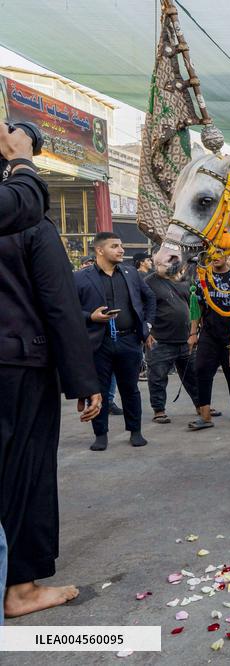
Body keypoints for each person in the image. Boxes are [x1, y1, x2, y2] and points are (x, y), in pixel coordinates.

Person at [1, 149, 101, 617]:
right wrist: (84, 379)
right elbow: (59, 304)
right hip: (18, 368)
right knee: (25, 474)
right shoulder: (29, 223)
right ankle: (21, 588)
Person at [75, 231, 155, 451]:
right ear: (100, 250)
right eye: (115, 246)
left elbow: (149, 299)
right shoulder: (81, 277)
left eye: (121, 245)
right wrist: (90, 317)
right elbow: (69, 309)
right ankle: (101, 435)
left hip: (129, 339)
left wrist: (146, 326)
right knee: (98, 389)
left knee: (130, 389)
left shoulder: (131, 273)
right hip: (98, 343)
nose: (121, 250)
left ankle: (136, 431)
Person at [189, 255, 230, 430]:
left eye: (219, 252)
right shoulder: (203, 279)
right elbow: (197, 307)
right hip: (209, 333)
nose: (215, 256)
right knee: (201, 370)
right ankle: (205, 416)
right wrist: (192, 333)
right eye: (211, 254)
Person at [144, 258, 199, 423]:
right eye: (165, 261)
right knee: (157, 377)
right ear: (156, 262)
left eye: (173, 261)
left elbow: (193, 306)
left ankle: (201, 405)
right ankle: (159, 410)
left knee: (194, 376)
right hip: (160, 340)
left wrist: (193, 333)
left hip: (185, 339)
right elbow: (140, 308)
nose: (169, 265)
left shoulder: (183, 281)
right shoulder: (149, 282)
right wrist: (146, 332)